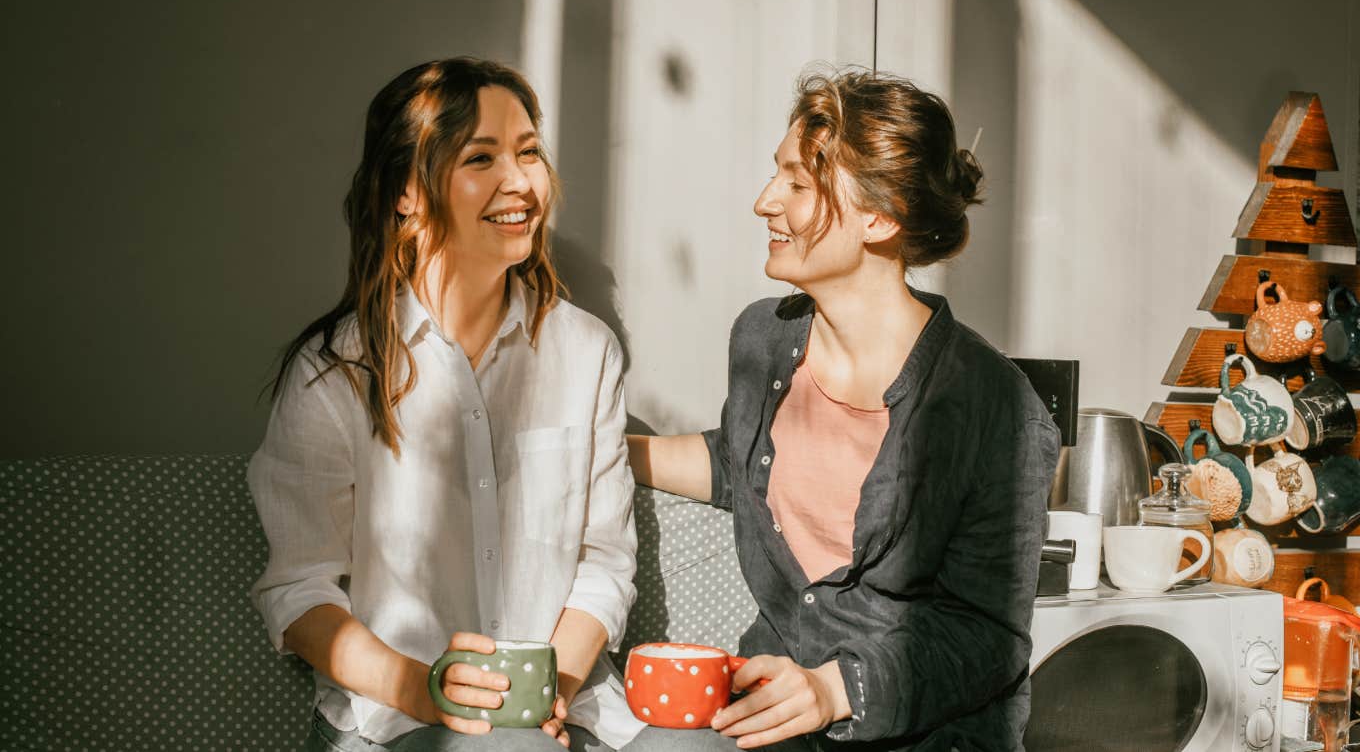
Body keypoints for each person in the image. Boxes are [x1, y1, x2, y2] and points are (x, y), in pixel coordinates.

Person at [627, 68, 1060, 751]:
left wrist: (834, 689)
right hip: (771, 711)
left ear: (880, 217)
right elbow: (742, 459)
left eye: (797, 184)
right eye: (777, 175)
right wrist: (602, 451)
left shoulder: (996, 406)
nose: (765, 201)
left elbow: (990, 637)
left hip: (921, 733)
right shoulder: (762, 337)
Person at [248, 57, 644, 752]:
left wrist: (553, 691)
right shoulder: (332, 373)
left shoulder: (588, 353)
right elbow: (300, 590)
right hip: (394, 724)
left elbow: (604, 566)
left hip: (574, 715)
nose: (521, 182)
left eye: (527, 153)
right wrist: (424, 688)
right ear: (406, 190)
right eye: (481, 157)